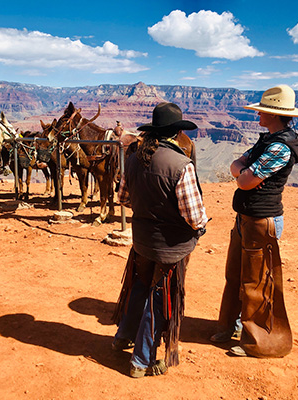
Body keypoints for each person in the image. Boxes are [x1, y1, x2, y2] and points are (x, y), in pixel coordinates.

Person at [210, 84, 298, 357]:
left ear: (275, 115)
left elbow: (243, 179)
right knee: (235, 275)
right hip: (246, 217)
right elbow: (238, 166)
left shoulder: (280, 147)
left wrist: (242, 172)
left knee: (256, 282)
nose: (257, 117)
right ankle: (230, 326)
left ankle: (258, 341)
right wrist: (243, 171)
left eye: (262, 112)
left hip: (262, 220)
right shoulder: (267, 139)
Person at [112, 102, 208, 377]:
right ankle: (141, 361)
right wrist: (200, 229)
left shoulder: (133, 158)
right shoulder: (181, 164)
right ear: (177, 132)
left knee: (139, 286)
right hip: (171, 247)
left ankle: (122, 337)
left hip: (141, 241)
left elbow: (123, 199)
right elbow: (194, 216)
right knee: (159, 299)